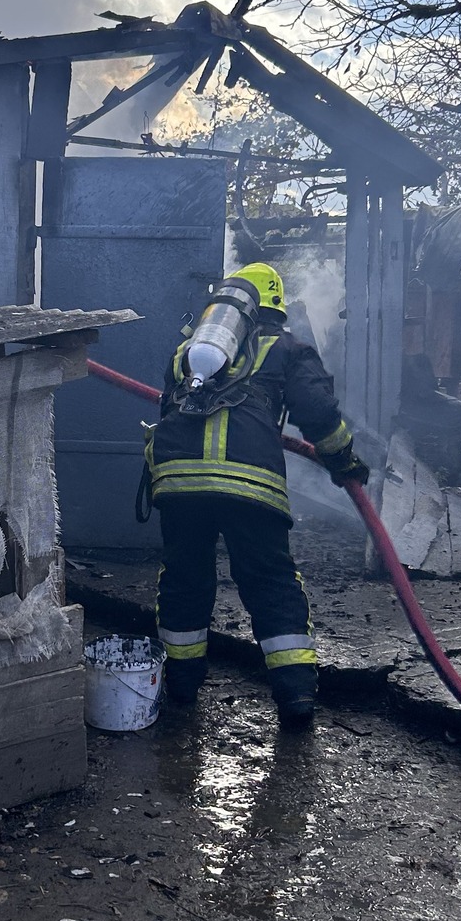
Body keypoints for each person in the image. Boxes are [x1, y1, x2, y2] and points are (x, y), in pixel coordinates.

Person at [143, 261, 368, 729]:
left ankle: (181, 687)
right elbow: (319, 414)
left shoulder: (188, 351)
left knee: (185, 578)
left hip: (179, 480)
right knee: (270, 583)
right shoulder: (287, 347)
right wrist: (344, 463)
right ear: (274, 308)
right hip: (250, 483)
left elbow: (169, 408)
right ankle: (296, 699)